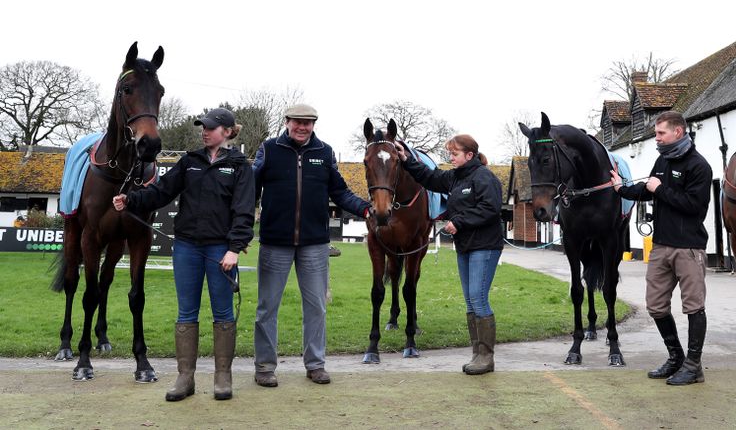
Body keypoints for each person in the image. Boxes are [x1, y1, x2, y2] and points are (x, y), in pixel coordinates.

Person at [113, 107, 254, 402]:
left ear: (227, 132)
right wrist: (131, 199)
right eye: (202, 126)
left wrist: (234, 248)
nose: (204, 131)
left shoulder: (241, 166)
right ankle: (185, 378)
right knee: (186, 313)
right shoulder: (189, 161)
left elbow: (243, 211)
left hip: (220, 250)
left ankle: (222, 377)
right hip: (187, 247)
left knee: (223, 313)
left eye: (211, 127)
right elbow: (161, 192)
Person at [252, 104, 370, 387]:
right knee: (267, 308)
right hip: (274, 243)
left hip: (315, 245)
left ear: (314, 125)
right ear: (287, 122)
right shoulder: (268, 149)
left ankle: (315, 365)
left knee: (316, 307)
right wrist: (240, 229)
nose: (302, 127)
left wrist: (365, 209)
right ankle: (265, 367)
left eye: (308, 123)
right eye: (297, 122)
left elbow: (340, 191)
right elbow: (249, 190)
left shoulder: (325, 153)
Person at [609, 111, 712, 386]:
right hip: (661, 246)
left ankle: (693, 367)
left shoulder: (699, 166)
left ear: (678, 132)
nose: (657, 138)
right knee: (655, 305)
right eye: (656, 133)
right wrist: (621, 189)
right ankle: (676, 357)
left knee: (693, 307)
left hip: (689, 248)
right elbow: (648, 188)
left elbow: (696, 207)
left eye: (660, 133)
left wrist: (660, 190)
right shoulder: (662, 159)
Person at [394, 134, 504, 375]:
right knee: (470, 300)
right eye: (450, 154)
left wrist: (459, 223)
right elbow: (430, 178)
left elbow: (490, 208)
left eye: (454, 154)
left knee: (478, 298)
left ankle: (486, 358)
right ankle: (477, 354)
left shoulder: (484, 177)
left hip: (485, 246)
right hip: (466, 246)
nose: (450, 158)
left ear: (469, 155)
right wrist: (405, 159)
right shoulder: (455, 177)